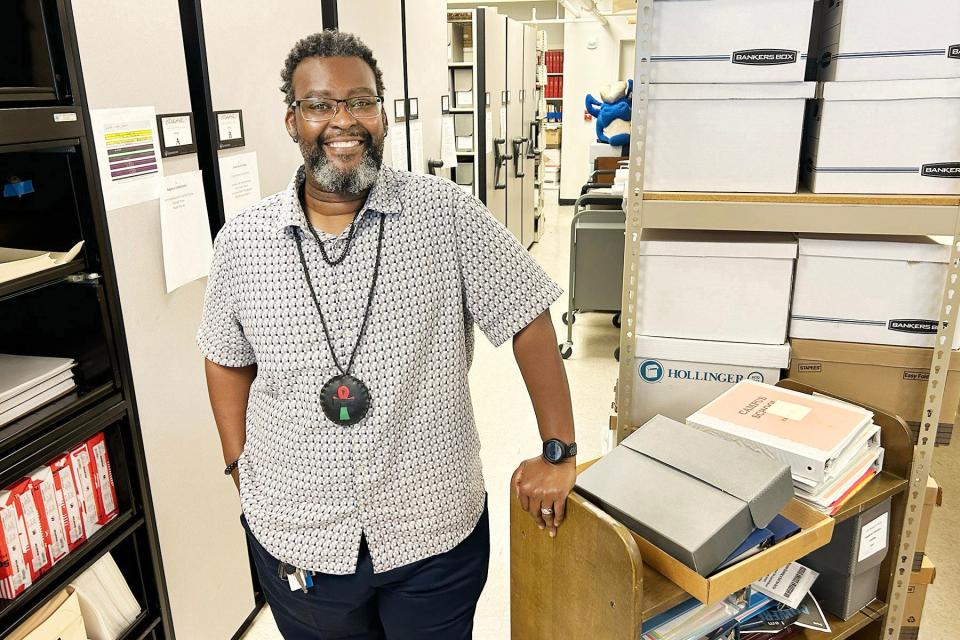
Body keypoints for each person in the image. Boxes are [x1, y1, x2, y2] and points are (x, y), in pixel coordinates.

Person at [198, 30, 577, 639]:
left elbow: (527, 317)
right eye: (321, 105)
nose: (343, 120)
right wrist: (240, 465)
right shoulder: (243, 242)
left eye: (361, 101)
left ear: (382, 112)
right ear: (292, 121)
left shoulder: (447, 214)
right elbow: (225, 358)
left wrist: (558, 449)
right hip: (299, 531)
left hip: (432, 526)